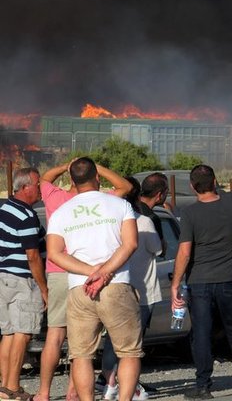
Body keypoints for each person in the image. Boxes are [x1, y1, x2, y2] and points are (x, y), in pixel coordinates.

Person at [34, 161, 132, 401]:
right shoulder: (109, 200)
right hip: (106, 275)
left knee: (62, 339)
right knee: (112, 346)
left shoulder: (56, 201)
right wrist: (96, 166)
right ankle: (73, 392)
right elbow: (125, 186)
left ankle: (44, 392)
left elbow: (44, 178)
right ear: (95, 177)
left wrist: (66, 166)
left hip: (63, 273)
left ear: (70, 177)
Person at [171, 164, 232, 400]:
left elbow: (184, 253)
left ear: (192, 187)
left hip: (199, 283)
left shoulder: (190, 214)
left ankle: (203, 386)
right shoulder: (231, 203)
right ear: (215, 182)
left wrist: (175, 283)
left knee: (201, 332)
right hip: (228, 281)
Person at [101, 177, 162, 401]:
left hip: (114, 290)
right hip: (143, 293)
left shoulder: (107, 224)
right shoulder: (144, 222)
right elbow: (158, 250)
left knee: (112, 341)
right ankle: (133, 389)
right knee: (133, 348)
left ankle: (109, 385)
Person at [0, 168, 47, 401]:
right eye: (38, 184)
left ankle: (5, 387)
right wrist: (45, 288)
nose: (40, 189)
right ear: (26, 187)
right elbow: (33, 256)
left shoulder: (4, 208)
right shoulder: (27, 215)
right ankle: (12, 387)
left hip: (3, 278)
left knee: (8, 333)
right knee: (23, 332)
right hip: (22, 280)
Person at [138, 173, 169, 256]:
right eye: (166, 192)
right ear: (159, 195)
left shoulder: (128, 207)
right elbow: (161, 252)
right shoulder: (152, 218)